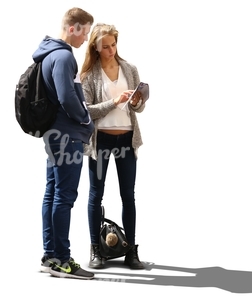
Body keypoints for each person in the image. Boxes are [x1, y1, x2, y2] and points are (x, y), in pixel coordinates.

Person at [32, 7, 95, 280]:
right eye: (85, 32)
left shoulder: (47, 54)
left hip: (54, 135)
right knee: (64, 197)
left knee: (52, 193)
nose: (85, 39)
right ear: (73, 28)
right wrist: (85, 120)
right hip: (67, 136)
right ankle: (62, 260)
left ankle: (50, 255)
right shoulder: (63, 56)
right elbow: (67, 97)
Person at [80, 23, 146, 270]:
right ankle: (96, 249)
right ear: (96, 48)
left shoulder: (129, 69)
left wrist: (137, 102)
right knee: (96, 195)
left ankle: (131, 250)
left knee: (128, 196)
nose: (110, 50)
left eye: (113, 45)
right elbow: (86, 110)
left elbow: (138, 108)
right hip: (102, 142)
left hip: (127, 140)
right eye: (105, 46)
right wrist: (113, 101)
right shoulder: (89, 75)